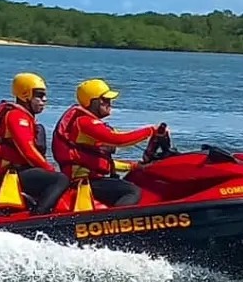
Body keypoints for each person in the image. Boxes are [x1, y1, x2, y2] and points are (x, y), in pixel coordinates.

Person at [51, 78, 164, 207]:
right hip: (84, 182)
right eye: (105, 100)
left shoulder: (89, 124)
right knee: (132, 191)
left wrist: (133, 166)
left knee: (131, 181)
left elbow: (99, 162)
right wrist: (150, 131)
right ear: (92, 102)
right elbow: (118, 139)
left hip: (93, 179)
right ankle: (118, 222)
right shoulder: (84, 123)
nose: (110, 103)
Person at [0, 72, 71, 214]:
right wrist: (50, 169)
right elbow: (28, 151)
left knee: (53, 178)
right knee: (60, 179)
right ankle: (39, 216)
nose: (45, 100)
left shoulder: (24, 116)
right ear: (25, 95)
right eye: (40, 95)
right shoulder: (16, 116)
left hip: (18, 172)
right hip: (11, 174)